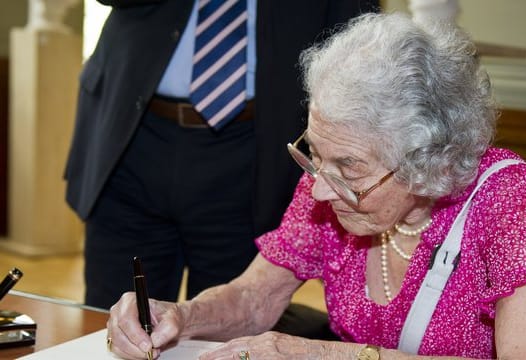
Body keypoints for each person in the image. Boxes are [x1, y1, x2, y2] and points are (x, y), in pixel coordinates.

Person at [106, 12, 526, 359]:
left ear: (430, 160)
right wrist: (182, 315)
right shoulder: (328, 182)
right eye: (313, 153)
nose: (318, 190)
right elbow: (255, 298)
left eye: (349, 166)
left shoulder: (513, 203)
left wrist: (320, 355)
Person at [63, 0, 379, 309]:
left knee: (225, 329)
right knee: (116, 319)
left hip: (253, 154)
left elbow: (352, 34)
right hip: (133, 138)